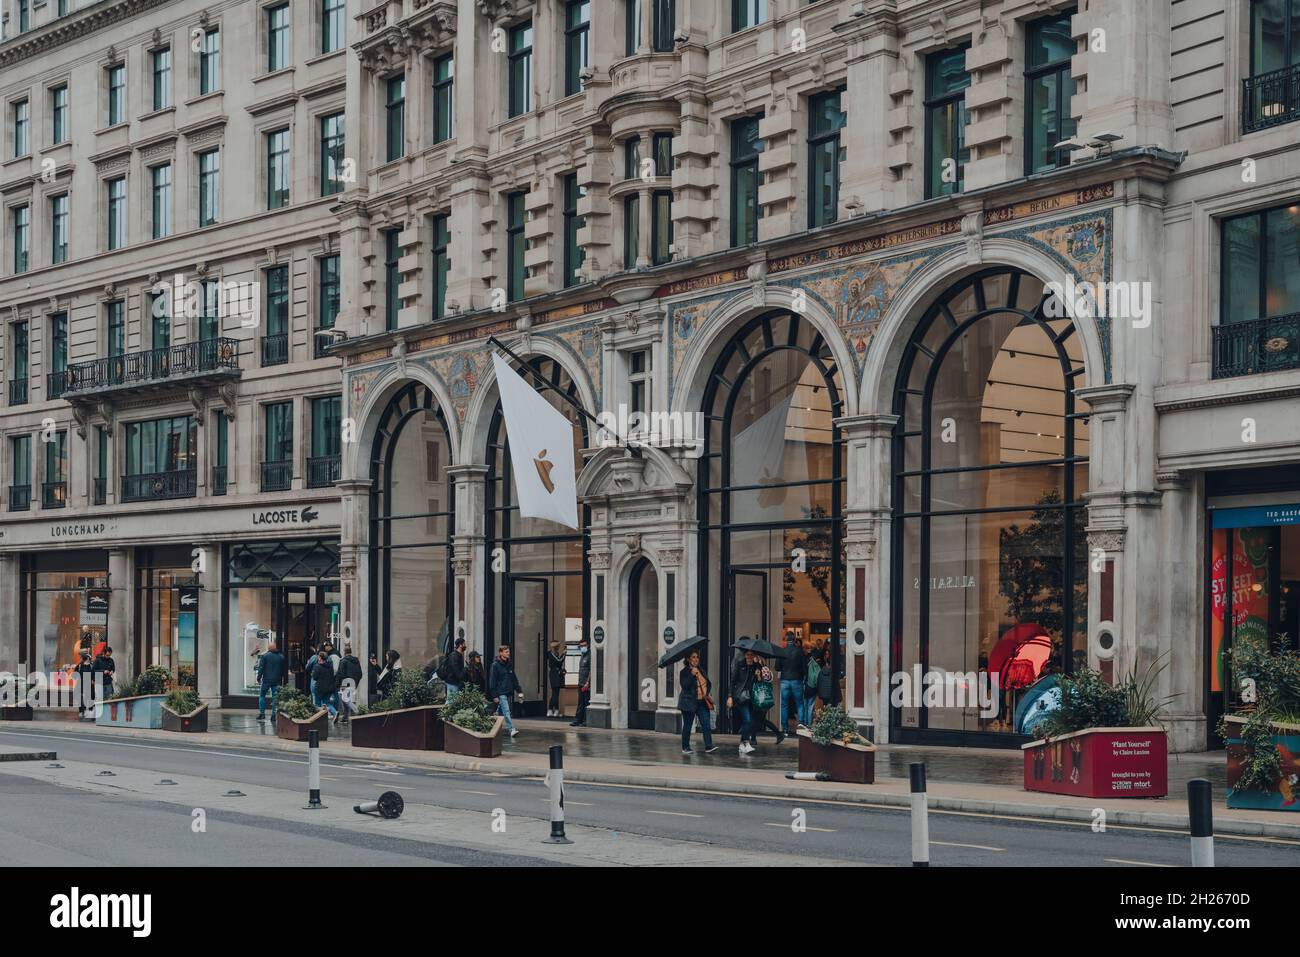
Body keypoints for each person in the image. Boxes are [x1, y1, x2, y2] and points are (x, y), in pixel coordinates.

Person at [677, 650, 718, 754]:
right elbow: (684, 686)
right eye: (693, 657)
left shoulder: (701, 670)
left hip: (702, 702)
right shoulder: (684, 672)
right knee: (688, 725)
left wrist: (706, 693)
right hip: (688, 702)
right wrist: (691, 675)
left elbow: (707, 683)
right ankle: (685, 747)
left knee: (706, 724)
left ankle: (708, 746)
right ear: (688, 659)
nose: (696, 659)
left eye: (697, 657)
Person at [727, 649, 758, 754]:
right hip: (741, 697)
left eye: (751, 655)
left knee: (749, 721)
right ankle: (746, 742)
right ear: (745, 655)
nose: (749, 657)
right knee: (747, 720)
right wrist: (730, 696)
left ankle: (742, 744)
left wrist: (758, 675)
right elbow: (732, 681)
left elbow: (759, 682)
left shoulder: (756, 666)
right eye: (748, 654)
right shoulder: (740, 665)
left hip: (752, 697)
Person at [488, 645, 522, 738]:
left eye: (508, 651)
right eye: (506, 652)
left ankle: (491, 728)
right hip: (500, 692)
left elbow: (513, 678)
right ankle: (512, 729)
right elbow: (492, 680)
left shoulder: (509, 664)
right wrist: (494, 695)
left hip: (507, 692)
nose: (508, 653)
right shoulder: (495, 665)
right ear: (501, 653)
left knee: (500, 713)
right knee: (506, 711)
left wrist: (519, 690)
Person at [780, 630, 808, 730]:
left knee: (784, 705)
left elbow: (777, 667)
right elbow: (804, 667)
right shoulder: (799, 651)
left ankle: (785, 728)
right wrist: (804, 676)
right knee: (800, 703)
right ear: (795, 639)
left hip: (784, 680)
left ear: (786, 639)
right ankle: (800, 723)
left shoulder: (781, 651)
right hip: (797, 679)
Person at [256, 642, 286, 721]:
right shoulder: (281, 657)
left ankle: (262, 714)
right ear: (275, 648)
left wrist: (258, 678)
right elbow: (283, 670)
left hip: (266, 680)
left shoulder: (265, 656)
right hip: (277, 680)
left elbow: (261, 668)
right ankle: (273, 715)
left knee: (262, 696)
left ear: (269, 648)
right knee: (275, 698)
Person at [337, 644, 363, 724]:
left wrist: (339, 685)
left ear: (344, 652)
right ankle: (345, 717)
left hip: (346, 683)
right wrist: (356, 681)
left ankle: (358, 711)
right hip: (353, 683)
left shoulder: (343, 661)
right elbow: (360, 673)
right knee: (348, 699)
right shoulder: (356, 661)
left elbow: (341, 674)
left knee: (345, 700)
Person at [570, 637, 591, 727]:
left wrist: (588, 682)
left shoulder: (590, 655)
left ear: (588, 645)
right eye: (581, 646)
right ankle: (578, 720)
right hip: (580, 683)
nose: (582, 647)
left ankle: (586, 721)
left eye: (584, 645)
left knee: (586, 703)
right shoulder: (582, 655)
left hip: (586, 684)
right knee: (580, 703)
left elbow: (591, 669)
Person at [313, 650, 339, 719]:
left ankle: (318, 719)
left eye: (318, 656)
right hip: (328, 688)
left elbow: (314, 677)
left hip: (319, 688)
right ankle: (335, 712)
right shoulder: (330, 667)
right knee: (327, 704)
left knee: (317, 704)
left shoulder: (317, 666)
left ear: (320, 658)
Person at [545, 641, 566, 717]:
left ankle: (555, 710)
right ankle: (551, 710)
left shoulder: (554, 653)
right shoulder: (552, 654)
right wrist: (564, 653)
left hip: (556, 674)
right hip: (555, 674)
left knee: (556, 693)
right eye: (558, 646)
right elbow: (559, 661)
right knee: (555, 693)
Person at [815, 646, 836, 718]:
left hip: (824, 691)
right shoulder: (822, 665)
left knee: (826, 706)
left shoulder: (823, 667)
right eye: (825, 654)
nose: (827, 656)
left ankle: (826, 719)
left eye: (828, 654)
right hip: (829, 690)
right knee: (829, 707)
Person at [75, 652, 95, 717]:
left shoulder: (91, 665)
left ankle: (90, 711)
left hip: (89, 684)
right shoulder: (80, 665)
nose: (90, 659)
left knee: (91, 697)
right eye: (89, 658)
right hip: (81, 684)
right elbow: (75, 673)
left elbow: (94, 674)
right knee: (80, 698)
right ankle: (81, 711)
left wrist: (93, 680)